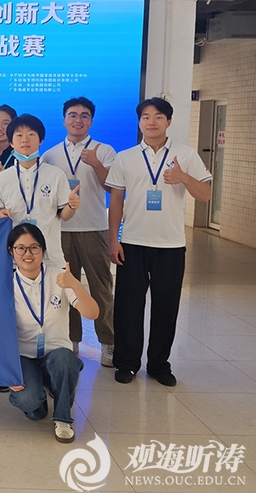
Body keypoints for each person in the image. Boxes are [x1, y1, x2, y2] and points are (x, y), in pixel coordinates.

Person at [107, 97, 212, 387]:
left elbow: (205, 194)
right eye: (145, 117)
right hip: (132, 242)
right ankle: (127, 363)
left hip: (171, 245)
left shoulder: (185, 154)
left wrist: (183, 177)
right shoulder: (125, 157)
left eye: (158, 117)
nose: (151, 122)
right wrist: (114, 239)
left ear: (168, 121)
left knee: (166, 306)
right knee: (128, 306)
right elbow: (116, 201)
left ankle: (159, 364)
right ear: (139, 121)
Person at [5, 223, 99, 444]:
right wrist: (5, 372)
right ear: (11, 252)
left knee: (65, 360)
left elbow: (93, 313)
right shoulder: (6, 284)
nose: (28, 254)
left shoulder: (60, 278)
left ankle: (63, 419)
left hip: (56, 354)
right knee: (31, 404)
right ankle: (40, 394)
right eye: (21, 248)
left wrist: (75, 285)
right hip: (24, 356)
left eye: (34, 247)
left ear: (43, 250)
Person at [42, 97, 116, 365]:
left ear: (91, 121)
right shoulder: (50, 155)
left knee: (101, 287)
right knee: (66, 286)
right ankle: (70, 339)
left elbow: (112, 188)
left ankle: (108, 342)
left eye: (84, 115)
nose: (78, 120)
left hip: (94, 227)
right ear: (64, 120)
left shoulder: (104, 151)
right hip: (60, 229)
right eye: (72, 115)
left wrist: (96, 163)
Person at [0, 114, 80, 268]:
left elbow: (64, 216)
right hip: (14, 259)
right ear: (11, 142)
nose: (25, 140)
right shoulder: (3, 177)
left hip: (50, 257)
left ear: (40, 140)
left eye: (31, 134)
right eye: (19, 135)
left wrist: (71, 205)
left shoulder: (55, 174)